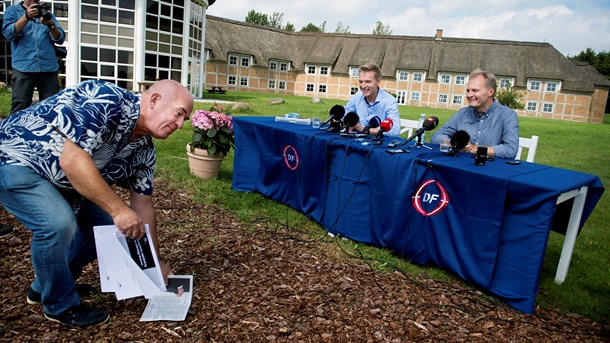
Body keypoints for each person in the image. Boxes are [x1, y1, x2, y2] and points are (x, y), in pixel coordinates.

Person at [0, 79, 194, 328]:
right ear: (154, 100)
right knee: (58, 223)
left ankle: (47, 286)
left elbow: (143, 206)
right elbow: (72, 161)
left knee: (107, 231)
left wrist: (154, 264)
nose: (179, 124)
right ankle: (60, 305)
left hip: (64, 183)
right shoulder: (107, 100)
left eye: (184, 120)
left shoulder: (144, 150)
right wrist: (118, 210)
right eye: (178, 114)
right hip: (16, 158)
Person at [430, 69, 519, 159]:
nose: (469, 95)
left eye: (474, 90)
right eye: (468, 91)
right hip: (461, 166)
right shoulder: (463, 113)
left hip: (490, 169)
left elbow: (510, 150)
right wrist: (455, 143)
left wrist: (473, 148)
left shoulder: (507, 115)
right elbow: (436, 137)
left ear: (490, 92)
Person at [2, 0, 66, 114]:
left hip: (48, 67)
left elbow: (60, 38)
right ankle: (15, 131)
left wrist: (51, 24)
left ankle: (48, 131)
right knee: (20, 105)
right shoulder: (13, 11)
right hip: (23, 66)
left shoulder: (46, 12)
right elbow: (8, 34)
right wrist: (26, 17)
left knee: (52, 107)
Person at [343, 63, 401, 137]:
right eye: (361, 81)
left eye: (368, 81)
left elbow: (395, 131)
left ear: (378, 81)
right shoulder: (357, 96)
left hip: (378, 145)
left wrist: (362, 129)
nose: (363, 86)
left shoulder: (390, 101)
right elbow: (345, 114)